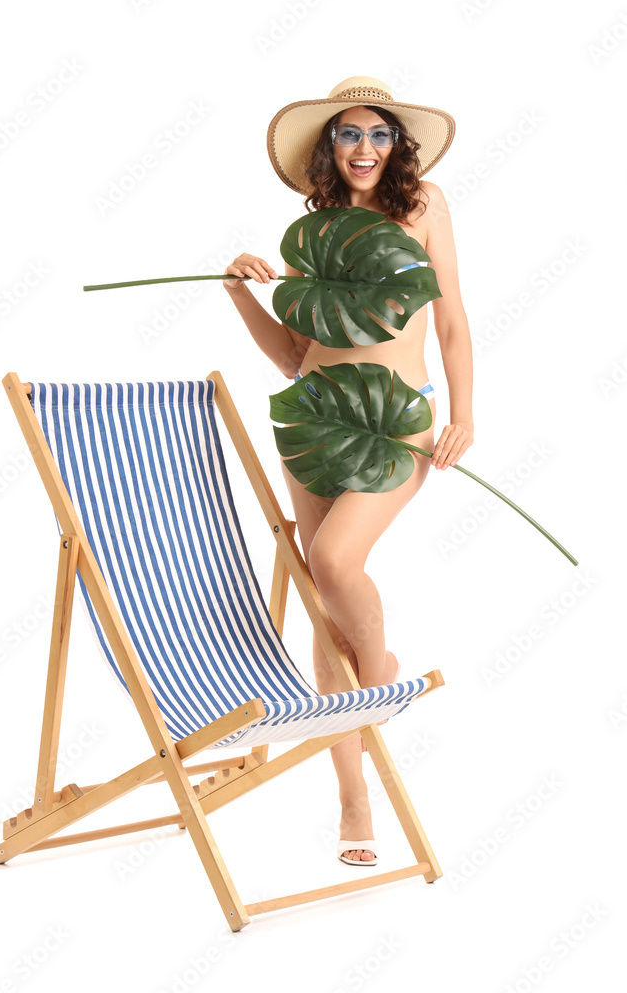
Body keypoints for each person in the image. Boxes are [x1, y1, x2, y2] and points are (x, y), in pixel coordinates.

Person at [223, 77, 473, 866]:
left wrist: (464, 411)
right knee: (321, 601)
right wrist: (240, 296)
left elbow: (454, 323)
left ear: (397, 144)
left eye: (377, 134)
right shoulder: (315, 231)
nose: (363, 149)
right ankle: (353, 799)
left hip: (396, 420)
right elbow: (299, 354)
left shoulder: (423, 206)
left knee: (334, 560)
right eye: (346, 135)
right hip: (314, 416)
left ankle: (376, 674)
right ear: (327, 147)